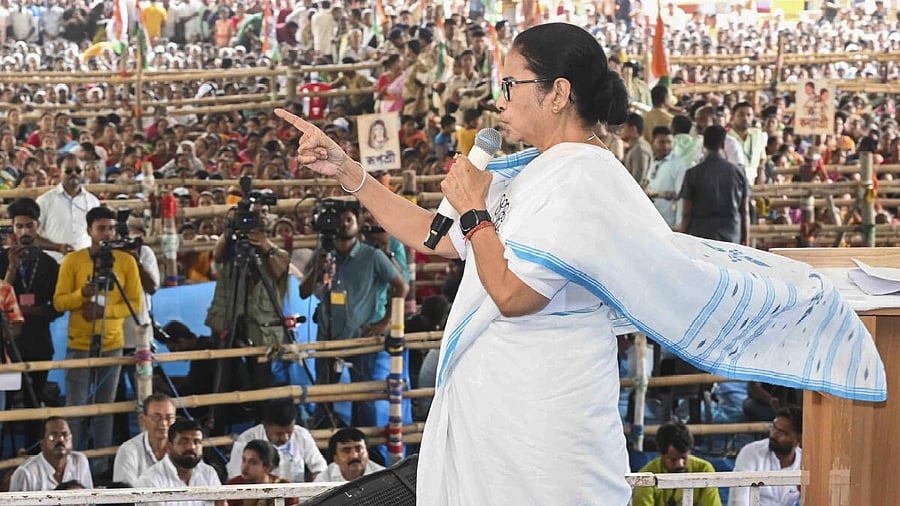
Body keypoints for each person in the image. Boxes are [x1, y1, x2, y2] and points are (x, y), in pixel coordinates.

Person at [275, 21, 885, 505]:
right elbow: (435, 235)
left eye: (512, 84)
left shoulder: (586, 179)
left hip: (544, 425)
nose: (500, 98)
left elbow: (513, 295)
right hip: (501, 416)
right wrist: (349, 173)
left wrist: (474, 210)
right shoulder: (538, 171)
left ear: (557, 91)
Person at [299, 202, 408, 427]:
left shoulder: (372, 256)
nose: (345, 224)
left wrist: (384, 322)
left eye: (349, 219)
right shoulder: (323, 254)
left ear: (358, 225)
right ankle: (325, 450)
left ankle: (366, 449)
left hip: (362, 338)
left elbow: (402, 287)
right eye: (341, 220)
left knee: (364, 398)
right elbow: (303, 292)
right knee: (324, 398)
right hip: (327, 338)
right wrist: (318, 267)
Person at [52, 206, 143, 475]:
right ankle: (71, 466)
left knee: (106, 408)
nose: (107, 233)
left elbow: (135, 303)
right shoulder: (73, 261)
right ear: (89, 230)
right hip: (79, 343)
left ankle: (100, 466)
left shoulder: (126, 262)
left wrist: (107, 312)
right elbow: (59, 302)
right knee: (76, 408)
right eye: (101, 228)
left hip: (113, 342)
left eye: (111, 228)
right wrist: (81, 295)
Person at [0, 198, 56, 446]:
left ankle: (33, 451)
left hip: (39, 342)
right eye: (19, 226)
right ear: (12, 227)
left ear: (37, 226)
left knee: (35, 401)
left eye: (29, 226)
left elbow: (58, 306)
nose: (24, 232)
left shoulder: (50, 263)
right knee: (6, 403)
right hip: (6, 347)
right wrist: (11, 269)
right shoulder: (2, 259)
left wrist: (35, 311)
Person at [680, 125, 751, 245]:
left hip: (700, 235)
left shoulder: (692, 174)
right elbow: (744, 210)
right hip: (731, 234)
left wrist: (683, 238)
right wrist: (746, 238)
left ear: (704, 145)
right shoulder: (738, 173)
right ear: (723, 145)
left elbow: (686, 213)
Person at [226, 399, 327, 482]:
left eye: (289, 432)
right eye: (279, 434)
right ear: (265, 426)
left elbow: (320, 469)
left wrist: (316, 480)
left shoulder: (301, 435)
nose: (285, 438)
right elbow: (236, 479)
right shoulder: (245, 441)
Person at [632, 421, 722, 506]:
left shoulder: (704, 470)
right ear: (661, 454)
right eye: (673, 459)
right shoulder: (646, 477)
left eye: (684, 457)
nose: (680, 464)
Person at [135, 418, 222, 506]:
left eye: (197, 442)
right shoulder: (149, 481)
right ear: (169, 447)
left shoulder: (208, 473)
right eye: (184, 441)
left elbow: (221, 503)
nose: (191, 447)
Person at [729, 407, 802, 506]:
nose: (773, 435)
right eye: (773, 427)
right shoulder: (751, 453)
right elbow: (738, 500)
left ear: (798, 440)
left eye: (781, 433)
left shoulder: (803, 462)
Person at [35, 153, 99, 262]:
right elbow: (34, 237)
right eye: (68, 171)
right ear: (59, 172)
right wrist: (58, 247)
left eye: (78, 170)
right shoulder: (45, 200)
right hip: (54, 263)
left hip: (85, 264)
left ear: (83, 173)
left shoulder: (93, 201)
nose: (74, 174)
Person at [9, 417, 93, 492]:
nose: (60, 439)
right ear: (42, 443)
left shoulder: (80, 461)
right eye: (53, 436)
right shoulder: (25, 473)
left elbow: (91, 500)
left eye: (65, 435)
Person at [113, 393, 178, 485]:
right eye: (156, 417)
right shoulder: (128, 451)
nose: (163, 423)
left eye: (169, 418)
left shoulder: (183, 449)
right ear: (143, 420)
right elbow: (124, 494)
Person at [225, 439, 299, 506]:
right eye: (244, 460)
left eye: (253, 462)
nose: (245, 466)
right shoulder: (231, 487)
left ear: (267, 467)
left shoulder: (283, 487)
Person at [646, 126, 690, 229]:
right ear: (653, 142)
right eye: (662, 142)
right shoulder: (654, 162)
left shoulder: (679, 164)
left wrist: (680, 224)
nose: (666, 146)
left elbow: (681, 196)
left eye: (669, 142)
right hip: (651, 219)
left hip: (669, 223)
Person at [314, 428, 384, 483]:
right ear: (335, 458)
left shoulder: (383, 477)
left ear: (367, 453)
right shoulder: (324, 479)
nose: (354, 455)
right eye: (346, 450)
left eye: (359, 449)